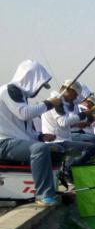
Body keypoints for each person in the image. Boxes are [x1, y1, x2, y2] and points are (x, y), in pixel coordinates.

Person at [0, 60, 62, 206]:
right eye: (40, 84)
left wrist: (40, 136)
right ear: (31, 78)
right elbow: (24, 114)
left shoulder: (20, 97)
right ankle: (43, 195)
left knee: (57, 148)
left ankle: (52, 188)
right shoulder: (8, 91)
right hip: (3, 143)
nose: (40, 88)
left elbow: (23, 130)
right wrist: (49, 103)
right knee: (40, 149)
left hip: (14, 143)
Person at [41, 80, 95, 174]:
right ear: (68, 90)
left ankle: (69, 170)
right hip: (58, 141)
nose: (75, 97)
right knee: (91, 148)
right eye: (75, 94)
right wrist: (83, 114)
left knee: (91, 146)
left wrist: (87, 116)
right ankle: (68, 171)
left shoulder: (62, 103)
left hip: (64, 139)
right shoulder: (55, 101)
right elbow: (63, 122)